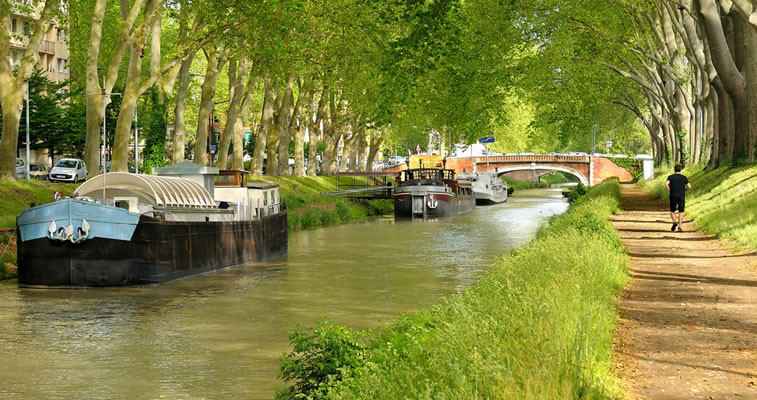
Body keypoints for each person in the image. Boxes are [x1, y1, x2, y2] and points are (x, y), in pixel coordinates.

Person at [666, 164, 691, 232]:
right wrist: (685, 189)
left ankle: (674, 222)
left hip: (672, 195)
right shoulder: (684, 177)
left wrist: (670, 190)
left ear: (674, 169)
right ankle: (680, 226)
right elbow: (689, 186)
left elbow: (666, 184)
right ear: (681, 170)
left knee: (672, 210)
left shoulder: (670, 177)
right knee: (681, 211)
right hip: (681, 196)